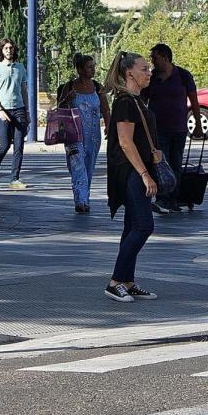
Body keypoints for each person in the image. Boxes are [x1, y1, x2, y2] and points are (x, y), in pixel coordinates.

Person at [103, 51, 159, 303]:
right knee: (144, 225)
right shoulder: (125, 102)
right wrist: (145, 174)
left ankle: (127, 281)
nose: (149, 72)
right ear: (129, 73)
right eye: (144, 69)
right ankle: (115, 281)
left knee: (132, 226)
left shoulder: (137, 100)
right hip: (131, 172)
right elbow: (125, 143)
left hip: (138, 169)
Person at [143, 43, 200, 213]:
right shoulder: (151, 78)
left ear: (165, 58)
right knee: (161, 162)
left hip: (179, 128)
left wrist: (197, 123)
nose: (152, 61)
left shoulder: (183, 75)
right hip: (157, 128)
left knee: (175, 163)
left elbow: (194, 100)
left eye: (155, 57)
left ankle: (173, 199)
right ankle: (162, 198)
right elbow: (142, 100)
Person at [56, 53, 111, 214]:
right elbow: (60, 108)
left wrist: (108, 125)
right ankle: (80, 200)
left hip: (93, 134)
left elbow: (106, 109)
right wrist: (67, 99)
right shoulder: (69, 87)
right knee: (77, 165)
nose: (93, 69)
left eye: (93, 66)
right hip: (73, 135)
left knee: (88, 167)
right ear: (79, 69)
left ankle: (85, 198)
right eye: (89, 67)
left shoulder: (97, 86)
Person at [0, 39, 30, 190]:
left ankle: (14, 179)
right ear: (1, 51)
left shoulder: (20, 67)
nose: (9, 50)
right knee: (4, 144)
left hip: (19, 109)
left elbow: (24, 90)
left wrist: (27, 111)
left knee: (19, 145)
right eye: (6, 48)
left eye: (11, 48)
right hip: (2, 110)